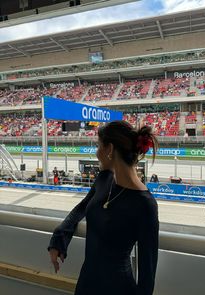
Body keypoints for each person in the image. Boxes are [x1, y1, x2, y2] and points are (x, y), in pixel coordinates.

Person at [48, 121, 159, 295]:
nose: (96, 152)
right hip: (86, 284)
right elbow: (81, 208)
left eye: (99, 146)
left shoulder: (145, 204)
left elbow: (147, 273)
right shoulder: (104, 180)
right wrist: (60, 235)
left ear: (110, 150)